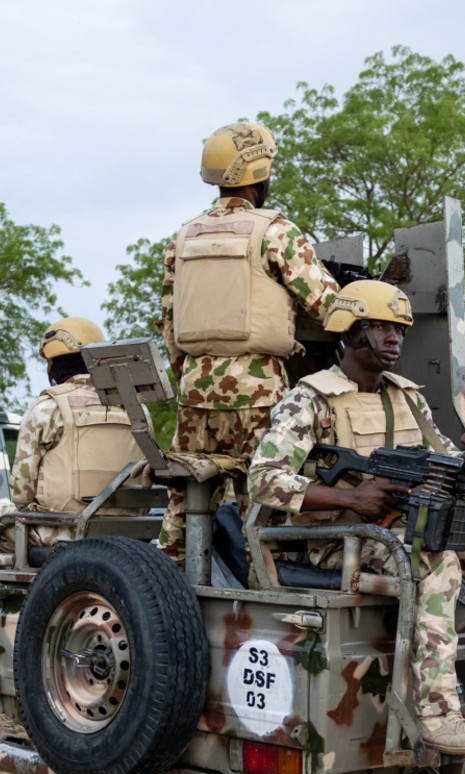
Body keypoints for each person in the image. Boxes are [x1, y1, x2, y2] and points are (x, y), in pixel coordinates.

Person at [246, 280, 465, 756]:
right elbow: (262, 479)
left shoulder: (408, 397)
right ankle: (436, 713)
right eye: (381, 327)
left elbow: (442, 456)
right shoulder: (311, 400)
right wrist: (350, 499)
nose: (394, 339)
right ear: (349, 332)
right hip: (339, 540)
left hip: (405, 530)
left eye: (400, 329)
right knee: (434, 560)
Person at [156, 121, 340, 561]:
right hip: (256, 389)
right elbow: (330, 307)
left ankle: (162, 586)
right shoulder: (276, 231)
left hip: (194, 391)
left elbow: (170, 323)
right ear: (260, 174)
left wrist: (192, 375)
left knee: (184, 501)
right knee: (262, 501)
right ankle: (268, 598)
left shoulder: (182, 237)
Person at [0, 317, 138, 643]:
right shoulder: (132, 407)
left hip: (64, 529)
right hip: (124, 531)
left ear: (53, 365)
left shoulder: (47, 407)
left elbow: (20, 493)